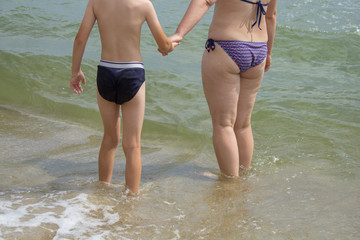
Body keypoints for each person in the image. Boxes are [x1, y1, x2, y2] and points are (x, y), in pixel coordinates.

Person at [70, 0, 177, 194]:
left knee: (110, 138)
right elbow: (163, 44)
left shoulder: (96, 2)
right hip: (132, 72)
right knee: (133, 144)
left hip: (106, 71)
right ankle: (131, 199)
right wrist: (171, 45)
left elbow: (80, 39)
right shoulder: (144, 5)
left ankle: (103, 191)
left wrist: (75, 71)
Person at [165, 0, 277, 176]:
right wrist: (268, 53)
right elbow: (270, 15)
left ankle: (230, 185)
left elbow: (205, 1)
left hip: (228, 46)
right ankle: (243, 180)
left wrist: (179, 34)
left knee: (224, 124)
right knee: (243, 124)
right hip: (259, 50)